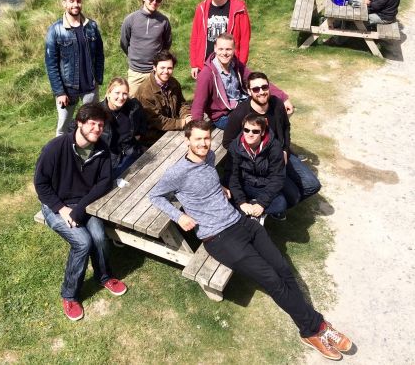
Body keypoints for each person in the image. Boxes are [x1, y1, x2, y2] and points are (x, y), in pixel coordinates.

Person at [149, 120, 352, 361]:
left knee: (284, 270)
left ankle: (311, 328)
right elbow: (155, 195)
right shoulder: (177, 173)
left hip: (242, 221)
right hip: (219, 238)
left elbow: (210, 182)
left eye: (206, 138)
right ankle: (316, 328)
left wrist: (222, 188)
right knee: (272, 279)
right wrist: (179, 215)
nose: (204, 143)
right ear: (187, 141)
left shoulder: (211, 156)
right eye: (198, 139)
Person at [34, 103, 127, 322]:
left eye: (100, 124)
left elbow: (104, 183)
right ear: (79, 123)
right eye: (92, 123)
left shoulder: (102, 148)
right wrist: (62, 208)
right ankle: (70, 295)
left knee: (99, 237)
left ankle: (104, 276)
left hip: (84, 203)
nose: (97, 128)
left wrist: (80, 208)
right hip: (55, 205)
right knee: (83, 242)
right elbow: (40, 184)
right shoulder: (55, 148)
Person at [223, 72, 321, 216]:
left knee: (312, 185)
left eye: (264, 87)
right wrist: (255, 157)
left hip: (280, 154)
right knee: (292, 195)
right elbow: (228, 143)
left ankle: (272, 202)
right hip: (257, 161)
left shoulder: (277, 104)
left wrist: (286, 150)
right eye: (256, 89)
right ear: (249, 91)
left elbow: (286, 128)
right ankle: (271, 202)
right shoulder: (240, 114)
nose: (261, 92)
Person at [191, 33, 290, 129]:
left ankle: (280, 139)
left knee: (274, 106)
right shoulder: (206, 74)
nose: (224, 53)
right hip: (224, 116)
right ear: (215, 49)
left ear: (234, 49)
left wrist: (284, 98)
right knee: (262, 120)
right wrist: (197, 130)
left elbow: (256, 80)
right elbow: (198, 105)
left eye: (228, 49)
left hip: (241, 104)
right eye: (221, 49)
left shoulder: (236, 64)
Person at [45, 0, 104, 136]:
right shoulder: (55, 30)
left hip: (90, 87)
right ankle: (61, 155)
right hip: (68, 90)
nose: (75, 5)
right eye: (71, 1)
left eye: (78, 1)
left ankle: (88, 153)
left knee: (92, 124)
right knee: (63, 128)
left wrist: (97, 79)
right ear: (64, 3)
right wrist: (59, 92)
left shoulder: (91, 26)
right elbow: (51, 65)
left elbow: (99, 55)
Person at [225, 113, 287, 223]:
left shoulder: (274, 146)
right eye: (246, 130)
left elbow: (277, 177)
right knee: (224, 195)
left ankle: (252, 211)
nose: (250, 134)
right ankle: (250, 210)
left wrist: (262, 203)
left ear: (262, 132)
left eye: (255, 131)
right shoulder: (235, 146)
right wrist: (242, 202)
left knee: (280, 204)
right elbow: (232, 176)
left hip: (264, 185)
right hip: (244, 182)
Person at [190, 0, 251, 79]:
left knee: (229, 94)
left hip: (230, 63)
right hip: (206, 64)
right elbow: (195, 37)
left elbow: (245, 39)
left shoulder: (239, 8)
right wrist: (194, 64)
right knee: (206, 94)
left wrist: (241, 65)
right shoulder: (201, 8)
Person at [120, 0, 172, 96]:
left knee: (156, 104)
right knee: (131, 103)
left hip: (155, 72)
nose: (154, 2)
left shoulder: (164, 21)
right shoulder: (130, 19)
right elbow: (124, 43)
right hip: (135, 72)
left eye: (158, 0)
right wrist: (134, 58)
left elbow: (167, 44)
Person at [135, 50, 192, 146]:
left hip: (171, 131)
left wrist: (187, 116)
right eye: (162, 68)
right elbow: (157, 121)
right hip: (152, 139)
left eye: (169, 68)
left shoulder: (173, 83)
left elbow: (181, 104)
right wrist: (182, 123)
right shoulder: (145, 92)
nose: (166, 71)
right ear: (154, 67)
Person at [100, 77, 146, 179]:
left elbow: (143, 122)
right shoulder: (98, 112)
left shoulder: (133, 106)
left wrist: (138, 136)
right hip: (110, 159)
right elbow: (76, 127)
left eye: (125, 93)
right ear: (109, 93)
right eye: (117, 93)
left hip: (131, 152)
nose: (121, 97)